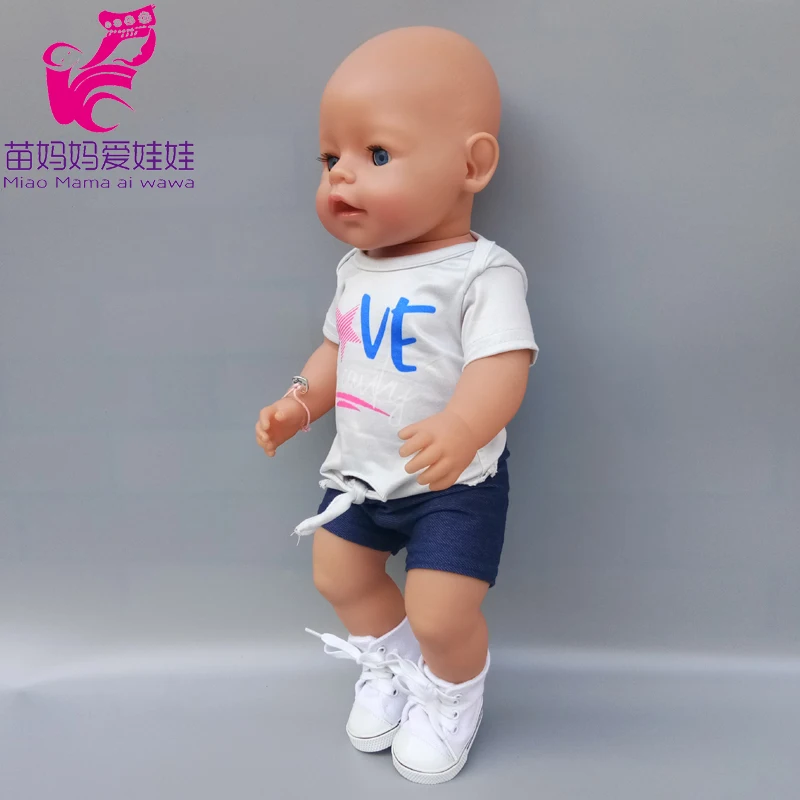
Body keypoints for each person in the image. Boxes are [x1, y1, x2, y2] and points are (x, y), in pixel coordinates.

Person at [255, 25, 538, 785]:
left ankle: (452, 693)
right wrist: (297, 404)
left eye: (376, 155)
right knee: (338, 575)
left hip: (453, 485)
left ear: (472, 165)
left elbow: (504, 364)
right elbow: (334, 352)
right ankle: (393, 664)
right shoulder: (356, 270)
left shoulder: (482, 273)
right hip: (360, 474)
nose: (342, 175)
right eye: (330, 159)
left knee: (443, 610)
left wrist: (463, 425)